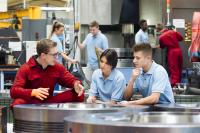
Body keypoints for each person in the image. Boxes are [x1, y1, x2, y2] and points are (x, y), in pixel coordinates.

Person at [10, 39, 84, 108]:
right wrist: (33, 92)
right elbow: (14, 91)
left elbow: (70, 79)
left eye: (57, 54)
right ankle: (24, 121)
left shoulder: (57, 67)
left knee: (78, 93)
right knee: (18, 103)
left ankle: (68, 120)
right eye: (54, 55)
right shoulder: (25, 69)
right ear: (43, 55)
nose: (57, 57)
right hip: (31, 103)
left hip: (49, 103)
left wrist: (76, 84)